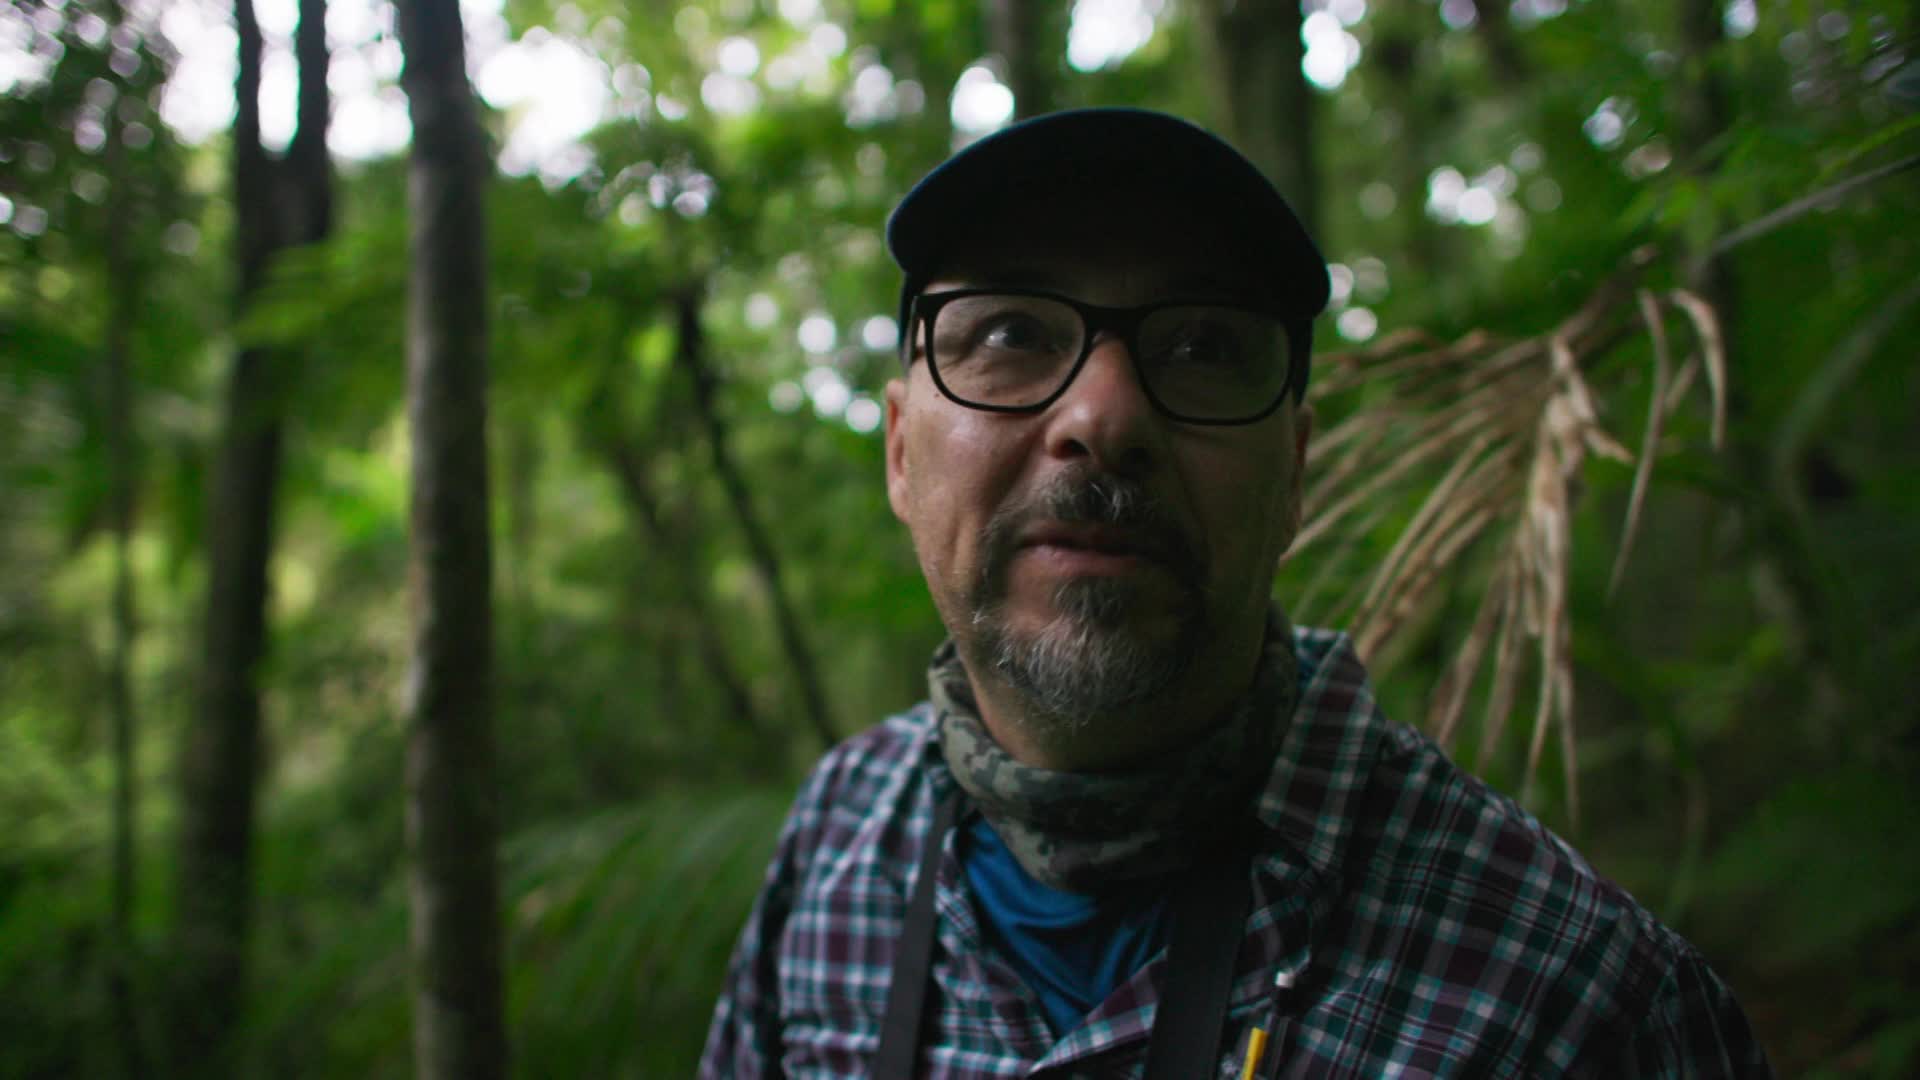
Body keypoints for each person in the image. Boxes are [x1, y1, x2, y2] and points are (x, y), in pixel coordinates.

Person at [700, 108, 1769, 1079]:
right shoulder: (839, 839)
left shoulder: (1573, 1004)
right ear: (900, 453)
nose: (1104, 417)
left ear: (1294, 473)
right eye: (1013, 335)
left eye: (1203, 347)